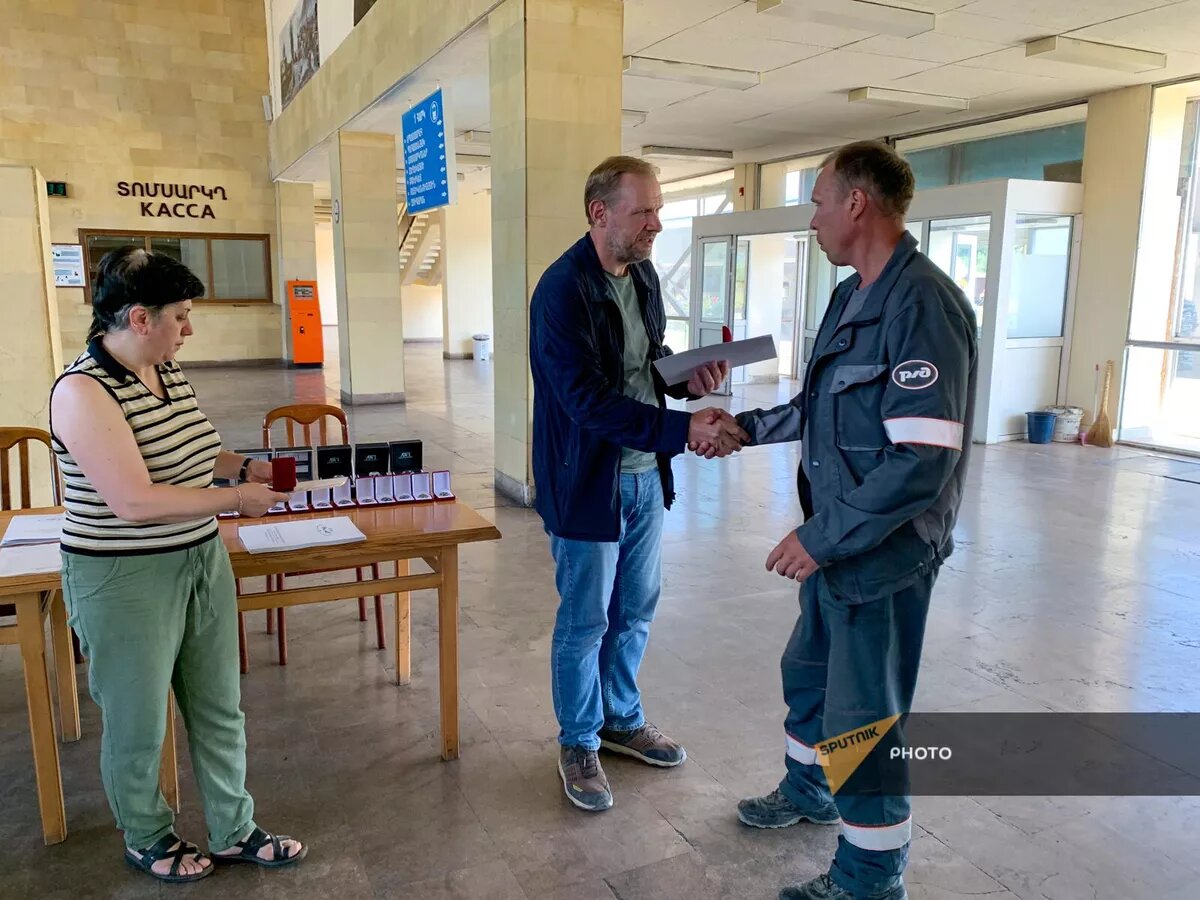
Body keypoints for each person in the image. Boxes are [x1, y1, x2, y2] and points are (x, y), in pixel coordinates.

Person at [731, 142, 977, 900]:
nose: (811, 219)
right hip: (840, 541)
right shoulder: (851, 295)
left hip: (884, 553)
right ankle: (806, 792)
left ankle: (871, 877)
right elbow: (817, 410)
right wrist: (743, 429)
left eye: (817, 202)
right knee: (808, 674)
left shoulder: (921, 306)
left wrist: (818, 537)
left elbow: (921, 461)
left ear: (856, 205)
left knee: (864, 720)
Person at [50, 247, 307, 883]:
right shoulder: (84, 390)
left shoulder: (167, 370)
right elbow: (133, 501)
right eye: (181, 316)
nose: (188, 330)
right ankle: (147, 835)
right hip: (124, 575)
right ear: (139, 317)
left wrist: (242, 466)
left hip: (198, 558)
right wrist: (237, 500)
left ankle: (233, 827)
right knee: (138, 718)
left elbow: (197, 444)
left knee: (220, 704)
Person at [529, 155, 748, 812]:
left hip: (643, 478)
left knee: (635, 610)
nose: (657, 224)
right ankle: (578, 739)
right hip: (586, 481)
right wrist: (684, 432)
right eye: (644, 211)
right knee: (585, 619)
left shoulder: (643, 276)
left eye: (659, 210)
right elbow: (587, 400)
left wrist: (687, 378)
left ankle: (621, 720)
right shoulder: (561, 290)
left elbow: (646, 364)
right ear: (601, 214)